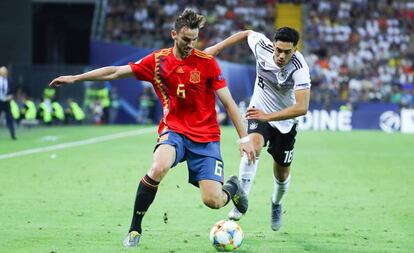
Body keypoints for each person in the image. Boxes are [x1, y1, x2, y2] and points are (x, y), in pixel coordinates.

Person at [48, 8, 255, 247]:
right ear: (174, 34)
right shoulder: (157, 62)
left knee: (213, 201)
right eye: (186, 39)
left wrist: (244, 138)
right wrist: (76, 78)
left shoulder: (207, 64)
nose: (190, 45)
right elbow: (116, 72)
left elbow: (229, 103)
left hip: (206, 137)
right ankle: (135, 228)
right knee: (158, 167)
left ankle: (232, 187)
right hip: (174, 130)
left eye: (194, 40)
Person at [205, 27, 311, 231]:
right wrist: (217, 48)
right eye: (278, 49)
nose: (281, 55)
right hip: (259, 111)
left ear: (295, 49)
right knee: (251, 147)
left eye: (287, 52)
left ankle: (276, 204)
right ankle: (240, 202)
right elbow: (246, 33)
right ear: (273, 44)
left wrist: (268, 116)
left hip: (285, 123)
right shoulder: (261, 46)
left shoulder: (300, 68)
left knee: (282, 174)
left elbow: (302, 107)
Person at [0, 66, 17, 140]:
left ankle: (13, 135)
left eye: (4, 72)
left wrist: (9, 97)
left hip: (6, 102)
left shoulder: (10, 80)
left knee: (10, 118)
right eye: (2, 72)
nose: (3, 73)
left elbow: (13, 92)